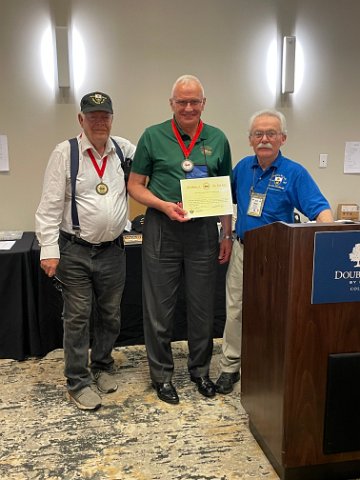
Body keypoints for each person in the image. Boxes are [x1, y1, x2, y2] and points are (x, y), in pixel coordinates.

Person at [127, 75, 233, 404]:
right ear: (171, 104)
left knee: (203, 307)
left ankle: (200, 371)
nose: (188, 107)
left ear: (203, 103)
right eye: (181, 101)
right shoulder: (152, 136)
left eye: (194, 101)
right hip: (162, 228)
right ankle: (161, 376)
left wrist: (226, 232)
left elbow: (224, 191)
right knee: (159, 308)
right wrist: (162, 205)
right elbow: (135, 185)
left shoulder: (217, 138)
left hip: (203, 231)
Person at [216, 109, 334, 394]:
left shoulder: (294, 173)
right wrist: (225, 234)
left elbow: (321, 210)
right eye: (258, 134)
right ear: (250, 139)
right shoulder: (243, 168)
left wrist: (330, 241)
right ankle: (230, 367)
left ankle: (268, 365)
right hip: (244, 251)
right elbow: (221, 199)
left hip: (278, 257)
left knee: (274, 312)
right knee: (235, 310)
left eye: (271, 133)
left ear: (283, 138)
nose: (264, 139)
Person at [35, 92, 136, 410]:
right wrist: (48, 249)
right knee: (78, 317)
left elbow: (150, 174)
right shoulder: (65, 153)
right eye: (92, 116)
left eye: (104, 116)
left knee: (110, 315)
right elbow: (49, 206)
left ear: (111, 118)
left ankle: (102, 365)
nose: (99, 121)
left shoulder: (124, 149)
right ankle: (78, 381)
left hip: (114, 251)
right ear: (81, 119)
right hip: (75, 251)